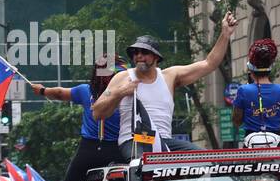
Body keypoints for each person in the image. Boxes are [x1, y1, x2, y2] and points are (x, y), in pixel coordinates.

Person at [94, 12, 238, 156]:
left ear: (156, 56)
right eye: (135, 52)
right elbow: (97, 112)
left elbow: (209, 64)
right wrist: (120, 92)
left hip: (164, 142)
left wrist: (225, 34)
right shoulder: (122, 77)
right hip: (134, 141)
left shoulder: (169, 76)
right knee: (145, 164)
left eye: (144, 52)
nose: (139, 56)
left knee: (205, 158)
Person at [30, 56, 124, 181]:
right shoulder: (125, 95)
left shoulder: (85, 91)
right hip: (116, 150)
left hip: (89, 150)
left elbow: (59, 93)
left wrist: (42, 90)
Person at [231, 38, 280, 142]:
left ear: (251, 70)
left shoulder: (243, 90)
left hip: (251, 141)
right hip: (277, 140)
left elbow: (236, 120)